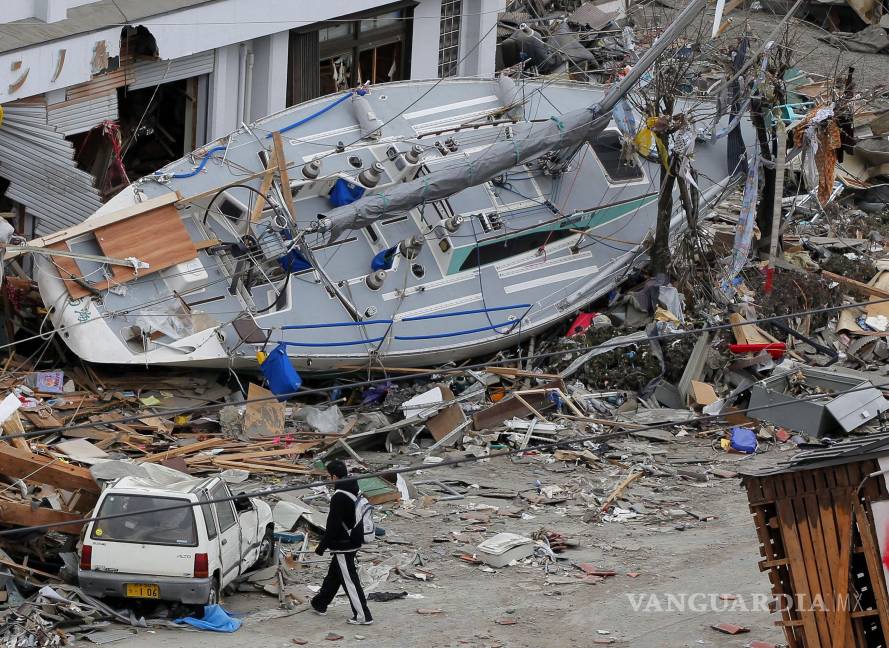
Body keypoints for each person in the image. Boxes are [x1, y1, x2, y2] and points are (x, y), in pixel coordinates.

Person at [310, 460, 373, 625]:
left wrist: (322, 546)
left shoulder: (339, 496)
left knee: (350, 580)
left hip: (344, 544)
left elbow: (333, 525)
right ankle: (319, 603)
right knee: (335, 575)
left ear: (334, 476)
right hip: (352, 540)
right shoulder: (353, 488)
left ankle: (363, 616)